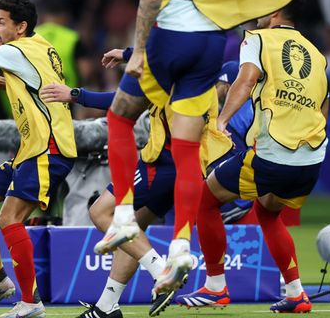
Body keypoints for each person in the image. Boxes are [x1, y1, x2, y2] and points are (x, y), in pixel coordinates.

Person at [96, 0, 294, 297]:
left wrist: (139, 49)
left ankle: (123, 217)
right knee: (187, 149)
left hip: (172, 36)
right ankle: (182, 246)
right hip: (211, 42)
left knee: (120, 116)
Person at [41, 61, 242, 318]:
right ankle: (107, 306)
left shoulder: (170, 75)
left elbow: (122, 101)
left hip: (160, 164)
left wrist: (75, 94)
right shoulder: (197, 76)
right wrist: (126, 54)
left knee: (100, 212)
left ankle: (161, 272)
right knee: (133, 231)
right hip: (185, 166)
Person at [176, 0, 327, 313]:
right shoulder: (317, 54)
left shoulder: (257, 39)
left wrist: (222, 120)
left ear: (275, 10)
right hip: (312, 158)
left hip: (274, 154)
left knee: (205, 200)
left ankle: (215, 287)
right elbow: (323, 104)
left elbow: (245, 80)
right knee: (268, 211)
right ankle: (296, 293)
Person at [0, 0, 78, 318]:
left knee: (9, 219)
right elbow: (30, 83)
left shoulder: (15, 50)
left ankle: (31, 302)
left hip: (47, 149)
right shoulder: (40, 47)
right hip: (33, 149)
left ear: (21, 27)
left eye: (0, 22)